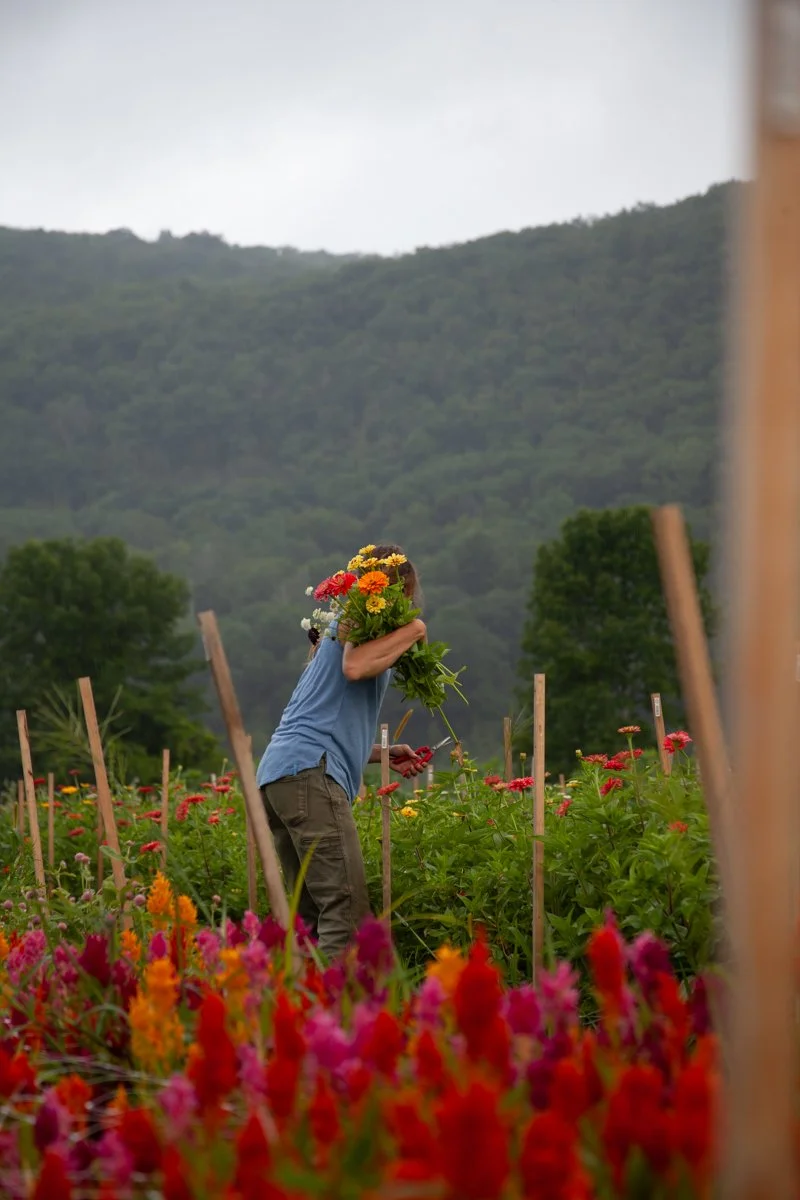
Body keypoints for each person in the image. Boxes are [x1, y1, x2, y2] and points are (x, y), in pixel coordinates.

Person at [256, 544, 426, 959]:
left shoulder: (336, 633)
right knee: (346, 913)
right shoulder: (358, 627)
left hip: (280, 777)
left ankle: (292, 1013)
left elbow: (324, 721)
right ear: (393, 594)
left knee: (311, 921)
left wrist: (381, 753)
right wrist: (415, 630)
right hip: (308, 778)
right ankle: (331, 1017)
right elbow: (354, 669)